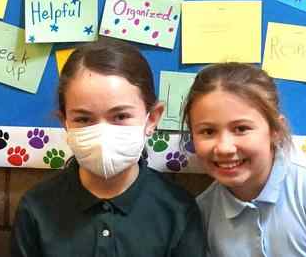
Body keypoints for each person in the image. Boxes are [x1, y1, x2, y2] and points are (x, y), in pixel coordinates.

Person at [11, 39, 206, 256]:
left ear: (152, 119)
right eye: (84, 119)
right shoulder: (37, 208)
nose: (103, 134)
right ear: (64, 121)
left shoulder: (178, 210)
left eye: (120, 116)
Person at [184, 62, 306, 257]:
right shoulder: (203, 212)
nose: (224, 147)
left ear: (275, 131)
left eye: (241, 128)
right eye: (208, 131)